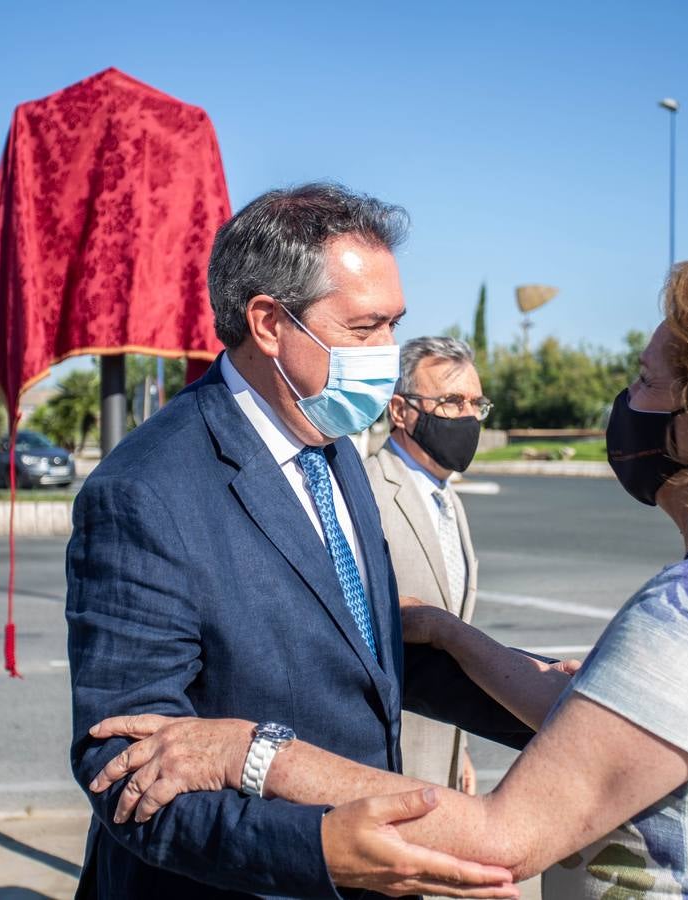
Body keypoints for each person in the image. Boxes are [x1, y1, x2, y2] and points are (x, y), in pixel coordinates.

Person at [88, 261, 688, 898]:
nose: (627, 400)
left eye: (649, 382)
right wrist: (451, 634)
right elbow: (612, 730)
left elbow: (498, 838)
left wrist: (249, 750)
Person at [66, 182, 529, 900]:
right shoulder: (145, 494)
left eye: (393, 326)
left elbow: (357, 666)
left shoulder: (331, 441)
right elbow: (124, 770)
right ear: (269, 323)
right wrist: (317, 849)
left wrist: (559, 711)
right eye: (364, 328)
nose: (387, 352)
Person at [365, 336, 489, 793]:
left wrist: (461, 753)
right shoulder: (368, 491)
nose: (468, 416)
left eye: (476, 403)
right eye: (452, 401)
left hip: (444, 758)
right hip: (386, 763)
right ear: (400, 411)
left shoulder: (448, 498)